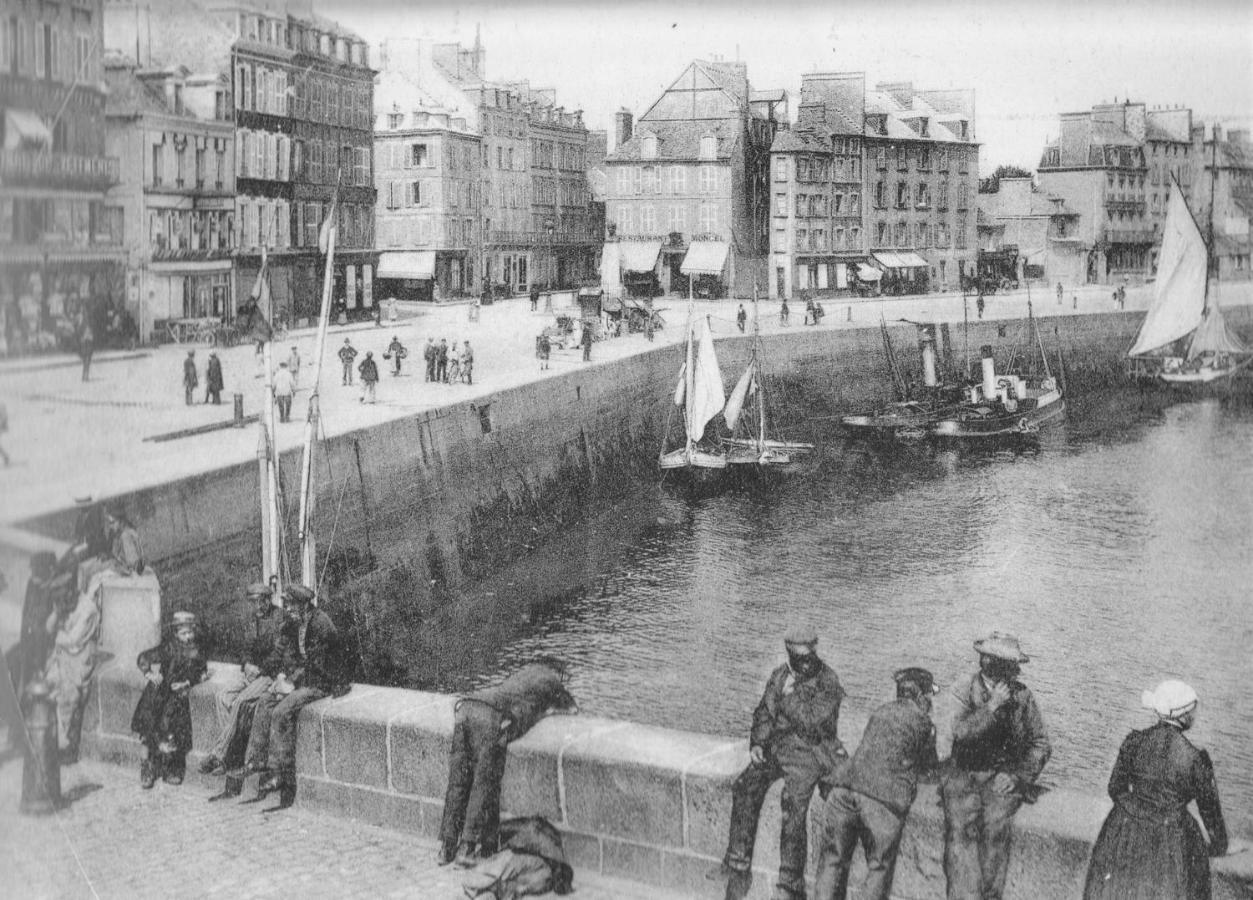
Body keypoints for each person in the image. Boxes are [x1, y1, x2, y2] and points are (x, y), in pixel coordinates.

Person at [711, 626, 846, 900]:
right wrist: (758, 743)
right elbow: (764, 712)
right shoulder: (780, 675)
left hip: (811, 752)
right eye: (800, 658)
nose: (806, 663)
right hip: (778, 749)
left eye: (810, 656)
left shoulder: (828, 680)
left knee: (794, 806)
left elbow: (813, 722)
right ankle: (737, 861)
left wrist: (787, 696)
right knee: (745, 786)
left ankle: (790, 886)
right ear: (790, 655)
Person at [1083, 680, 1228, 900]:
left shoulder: (1134, 741)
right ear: (1183, 716)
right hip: (1169, 840)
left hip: (1125, 832)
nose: (1194, 716)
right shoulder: (1195, 758)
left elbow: (1115, 788)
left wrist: (1135, 811)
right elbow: (1210, 813)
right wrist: (1219, 846)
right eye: (1192, 711)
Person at [940, 632, 1051, 900]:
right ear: (988, 662)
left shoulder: (1022, 696)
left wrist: (1018, 775)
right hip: (963, 774)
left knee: (995, 828)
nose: (1016, 670)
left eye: (1015, 665)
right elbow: (960, 733)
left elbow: (1040, 743)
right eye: (1009, 664)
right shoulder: (963, 688)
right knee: (960, 830)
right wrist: (991, 708)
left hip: (1002, 778)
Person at [438, 658, 578, 867]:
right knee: (484, 785)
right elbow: (573, 708)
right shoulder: (551, 679)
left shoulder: (523, 674)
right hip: (491, 718)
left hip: (467, 708)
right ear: (557, 672)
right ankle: (466, 849)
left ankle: (447, 848)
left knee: (458, 782)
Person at [814, 667, 939, 900]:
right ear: (922, 697)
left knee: (832, 861)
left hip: (843, 791)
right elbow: (929, 769)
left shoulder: (880, 712)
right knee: (879, 867)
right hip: (881, 800)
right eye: (929, 696)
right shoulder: (924, 723)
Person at [247, 584, 349, 808]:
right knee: (265, 701)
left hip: (321, 681)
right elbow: (289, 654)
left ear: (303, 605)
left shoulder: (321, 624)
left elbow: (317, 663)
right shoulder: (296, 623)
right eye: (286, 605)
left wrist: (291, 682)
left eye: (291, 605)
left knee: (283, 711)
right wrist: (283, 675)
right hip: (302, 677)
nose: (288, 609)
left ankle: (279, 772)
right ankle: (256, 761)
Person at [198, 583, 285, 780]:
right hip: (251, 672)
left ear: (268, 600)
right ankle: (233, 755)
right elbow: (244, 647)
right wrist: (246, 664)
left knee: (240, 701)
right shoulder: (251, 620)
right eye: (253, 603)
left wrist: (260, 669)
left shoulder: (279, 619)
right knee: (223, 697)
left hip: (268, 675)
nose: (257, 607)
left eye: (261, 602)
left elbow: (279, 652)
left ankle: (220, 755)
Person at [131, 611, 208, 787]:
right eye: (183, 633)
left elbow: (200, 671)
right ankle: (147, 769)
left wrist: (187, 682)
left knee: (172, 728)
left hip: (177, 694)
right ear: (175, 633)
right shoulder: (168, 647)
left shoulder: (196, 650)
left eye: (190, 632)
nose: (188, 637)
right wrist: (149, 673)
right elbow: (144, 657)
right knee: (149, 729)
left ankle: (172, 769)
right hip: (160, 692)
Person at [104, 506, 144, 575]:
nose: (110, 526)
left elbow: (134, 566)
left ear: (121, 521)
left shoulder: (126, 535)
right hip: (126, 571)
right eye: (109, 523)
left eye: (112, 522)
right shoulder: (120, 534)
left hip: (132, 576)